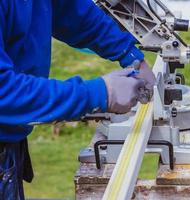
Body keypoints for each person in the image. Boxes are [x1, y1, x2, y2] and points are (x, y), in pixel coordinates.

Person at [0, 0, 155, 199]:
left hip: (10, 144)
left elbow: (70, 11)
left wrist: (128, 52)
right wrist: (99, 93)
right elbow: (4, 92)